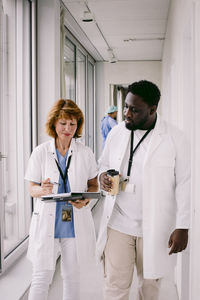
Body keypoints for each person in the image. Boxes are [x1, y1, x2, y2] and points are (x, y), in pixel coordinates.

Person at [97, 80, 190, 300]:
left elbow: (185, 183)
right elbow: (103, 164)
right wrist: (102, 177)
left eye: (134, 110)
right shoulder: (118, 132)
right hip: (119, 223)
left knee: (149, 289)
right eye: (126, 107)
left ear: (152, 109)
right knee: (115, 286)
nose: (127, 114)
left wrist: (183, 226)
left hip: (155, 227)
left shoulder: (175, 138)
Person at [25, 99, 98, 300]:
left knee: (72, 277)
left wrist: (86, 201)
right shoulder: (40, 152)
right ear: (54, 123)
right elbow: (31, 189)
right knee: (41, 277)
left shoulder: (85, 152)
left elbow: (93, 185)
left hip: (73, 222)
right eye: (63, 123)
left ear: (78, 125)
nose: (67, 128)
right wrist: (42, 189)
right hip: (47, 221)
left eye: (73, 124)